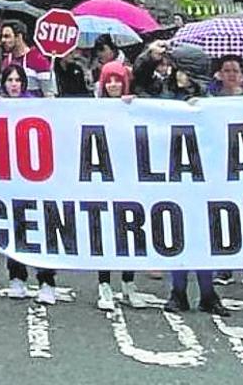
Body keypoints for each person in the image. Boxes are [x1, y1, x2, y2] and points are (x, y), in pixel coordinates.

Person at [161, 43, 230, 316]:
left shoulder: (209, 102)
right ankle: (177, 292)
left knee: (203, 237)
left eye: (179, 69)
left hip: (203, 178)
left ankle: (207, 292)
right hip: (174, 177)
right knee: (178, 236)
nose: (174, 74)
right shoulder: (165, 98)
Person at [0, 64, 59, 305]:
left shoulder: (36, 106)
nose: (13, 84)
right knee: (15, 229)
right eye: (9, 80)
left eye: (17, 80)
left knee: (40, 229)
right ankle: (17, 277)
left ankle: (46, 281)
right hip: (10, 180)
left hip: (36, 180)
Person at [94, 61, 146, 310]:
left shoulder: (136, 106)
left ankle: (128, 283)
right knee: (105, 233)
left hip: (130, 179)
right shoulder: (94, 109)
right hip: (103, 179)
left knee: (131, 232)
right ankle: (104, 285)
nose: (113, 85)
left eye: (118, 80)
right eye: (109, 81)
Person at [212, 55, 243, 290]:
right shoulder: (212, 100)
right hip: (221, 163)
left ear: (242, 75)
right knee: (225, 214)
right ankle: (225, 267)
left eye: (235, 70)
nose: (231, 74)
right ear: (219, 75)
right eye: (227, 70)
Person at [0, 21, 57, 97]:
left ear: (19, 37)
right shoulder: (6, 62)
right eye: (2, 37)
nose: (3, 40)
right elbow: (4, 94)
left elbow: (50, 95)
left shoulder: (38, 59)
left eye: (7, 36)